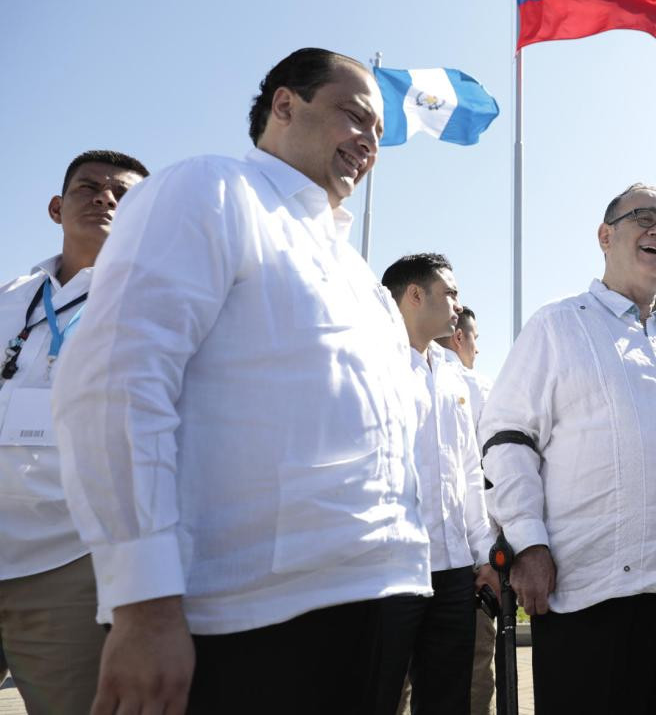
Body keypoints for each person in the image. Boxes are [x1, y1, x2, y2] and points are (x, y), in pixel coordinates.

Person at [51, 48, 432, 714]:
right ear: (285, 106)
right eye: (354, 116)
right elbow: (115, 378)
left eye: (378, 131)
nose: (371, 140)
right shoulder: (213, 189)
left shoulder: (359, 276)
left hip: (375, 607)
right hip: (250, 626)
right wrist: (143, 606)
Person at [480, 183, 656, 715]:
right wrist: (528, 543)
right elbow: (507, 439)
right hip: (594, 600)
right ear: (606, 236)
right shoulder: (557, 325)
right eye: (644, 217)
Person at [0, 150, 147, 715]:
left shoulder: (159, 305)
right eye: (88, 188)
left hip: (71, 562)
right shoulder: (13, 297)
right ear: (57, 207)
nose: (105, 198)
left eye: (122, 195)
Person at [383, 254, 498, 715]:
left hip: (453, 573)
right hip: (391, 567)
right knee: (382, 693)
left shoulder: (453, 375)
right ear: (414, 295)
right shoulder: (373, 363)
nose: (458, 304)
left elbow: (468, 470)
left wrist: (483, 551)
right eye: (449, 292)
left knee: (449, 698)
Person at [435, 305, 496, 715]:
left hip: (408, 564)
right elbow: (488, 477)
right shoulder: (478, 388)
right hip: (468, 562)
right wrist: (488, 556)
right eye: (475, 340)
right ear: (461, 338)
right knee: (472, 667)